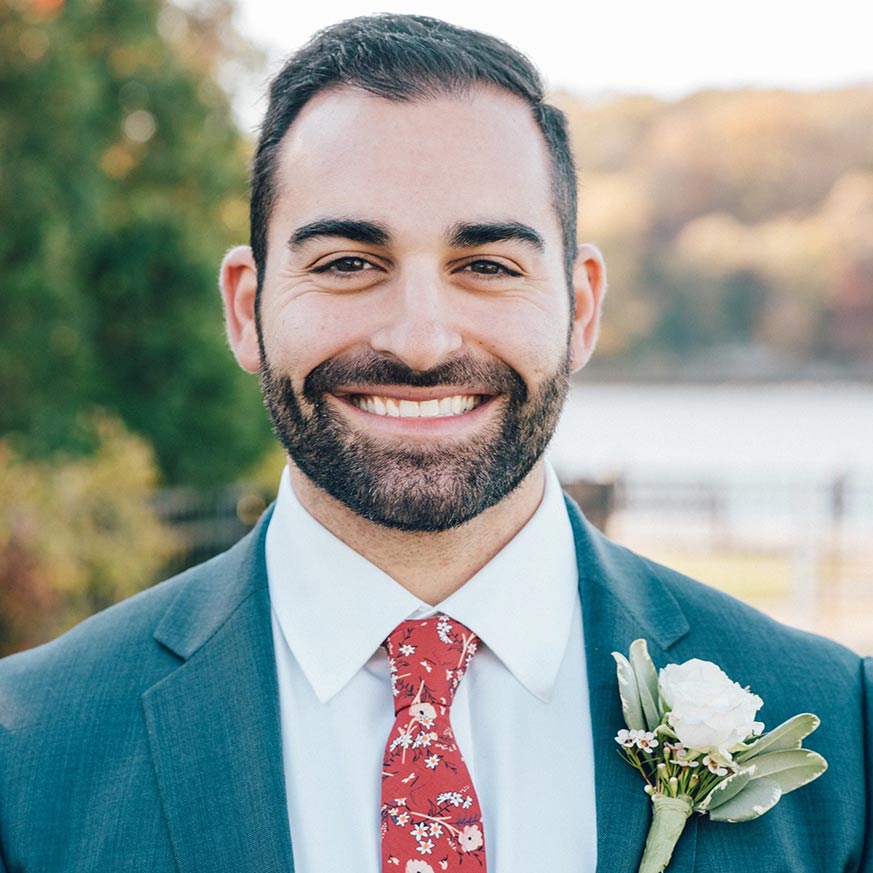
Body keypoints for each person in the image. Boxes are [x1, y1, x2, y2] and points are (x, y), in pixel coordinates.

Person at [0, 14, 869, 873]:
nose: (420, 342)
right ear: (244, 308)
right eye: (347, 262)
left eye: (486, 266)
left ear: (582, 308)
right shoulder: (28, 751)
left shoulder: (840, 726)